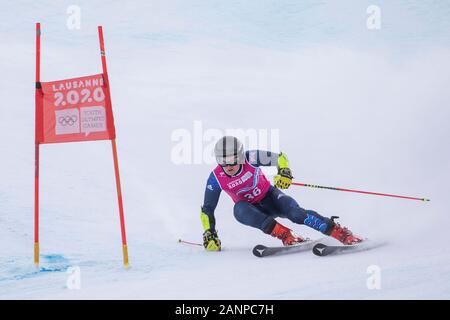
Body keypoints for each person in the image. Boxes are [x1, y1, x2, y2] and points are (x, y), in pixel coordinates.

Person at [200, 136, 363, 251]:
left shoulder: (251, 157)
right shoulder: (215, 178)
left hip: (271, 198)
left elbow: (280, 157)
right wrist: (210, 233)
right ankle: (286, 235)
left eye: (232, 159)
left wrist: (284, 172)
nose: (228, 165)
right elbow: (207, 209)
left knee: (296, 213)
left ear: (240, 156)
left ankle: (338, 232)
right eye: (223, 160)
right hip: (252, 211)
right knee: (238, 209)